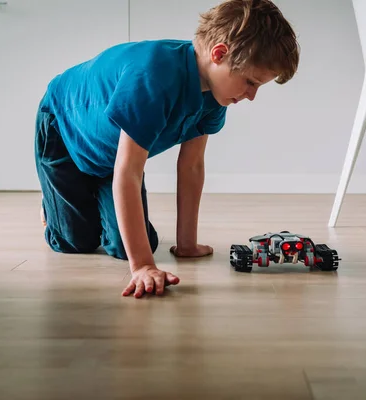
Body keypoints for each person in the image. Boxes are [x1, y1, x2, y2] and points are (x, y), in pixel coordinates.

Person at [34, 0, 300, 298]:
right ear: (219, 54)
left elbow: (192, 165)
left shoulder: (216, 97)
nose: (252, 96)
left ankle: (91, 201)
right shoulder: (153, 78)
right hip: (65, 130)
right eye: (250, 82)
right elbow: (129, 171)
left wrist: (187, 244)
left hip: (114, 156)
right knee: (76, 242)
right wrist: (144, 266)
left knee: (128, 246)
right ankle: (53, 210)